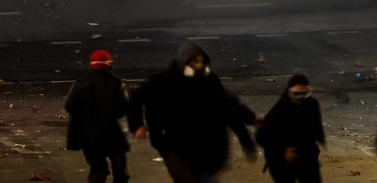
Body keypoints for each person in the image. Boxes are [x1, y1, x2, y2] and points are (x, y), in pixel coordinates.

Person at [128, 43, 259, 183]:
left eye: (201, 61)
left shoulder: (209, 81)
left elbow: (228, 106)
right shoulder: (164, 82)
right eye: (194, 61)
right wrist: (137, 125)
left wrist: (249, 122)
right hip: (174, 144)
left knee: (205, 177)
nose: (198, 65)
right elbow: (136, 98)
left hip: (207, 147)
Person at [65, 50, 130, 183]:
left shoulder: (81, 83)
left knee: (97, 168)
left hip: (88, 135)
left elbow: (70, 106)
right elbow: (122, 109)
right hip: (111, 133)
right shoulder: (115, 83)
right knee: (120, 169)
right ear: (109, 64)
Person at [256, 75, 325, 183]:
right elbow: (261, 136)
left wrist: (315, 147)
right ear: (289, 92)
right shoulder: (279, 111)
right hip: (280, 160)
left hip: (305, 153)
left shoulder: (311, 104)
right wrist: (282, 151)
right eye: (296, 94)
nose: (300, 98)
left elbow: (315, 125)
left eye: (304, 94)